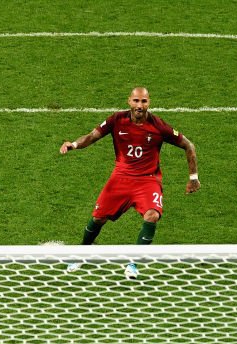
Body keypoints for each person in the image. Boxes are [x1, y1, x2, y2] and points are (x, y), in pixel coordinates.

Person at [59, 86, 200, 279]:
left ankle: (133, 263)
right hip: (120, 178)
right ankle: (81, 254)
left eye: (143, 101)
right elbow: (91, 137)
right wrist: (73, 144)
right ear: (129, 101)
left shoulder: (159, 126)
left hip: (147, 180)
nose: (139, 105)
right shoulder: (117, 120)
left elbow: (188, 145)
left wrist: (193, 178)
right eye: (136, 101)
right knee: (98, 218)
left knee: (152, 216)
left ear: (149, 103)